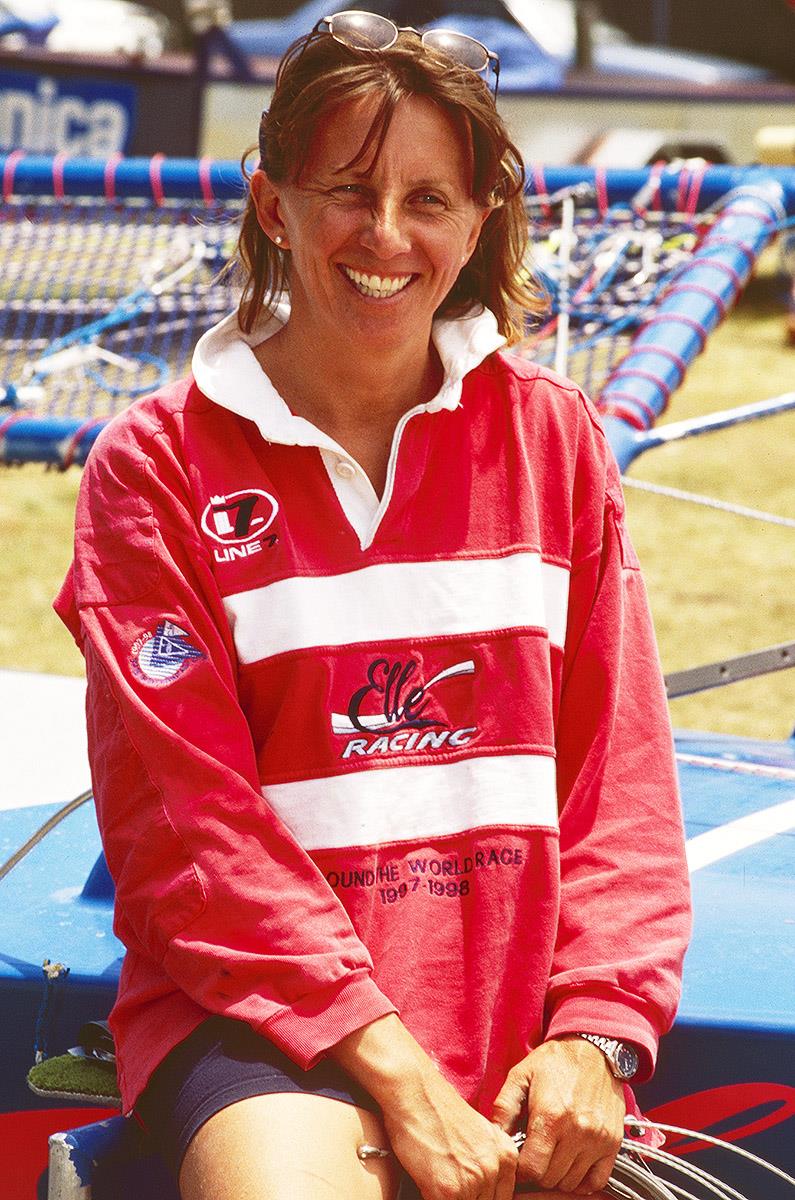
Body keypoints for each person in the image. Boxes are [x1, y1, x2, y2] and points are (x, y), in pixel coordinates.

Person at [55, 12, 691, 1200]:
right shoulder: (155, 465)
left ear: (481, 215)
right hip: (263, 1030)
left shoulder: (552, 437)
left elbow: (624, 786)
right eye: (347, 189)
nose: (386, 237)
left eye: (429, 200)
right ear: (271, 201)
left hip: (516, 1026)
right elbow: (191, 843)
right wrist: (397, 1077)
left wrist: (597, 1034)